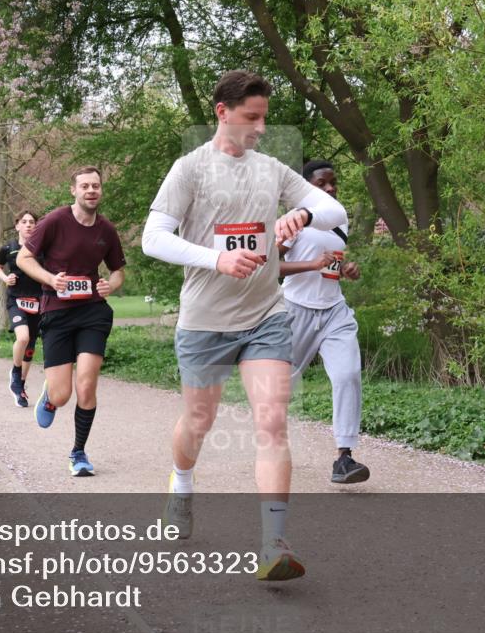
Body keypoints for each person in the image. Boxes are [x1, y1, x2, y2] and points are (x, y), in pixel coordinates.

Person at [141, 70, 347, 581]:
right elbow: (153, 238)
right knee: (199, 423)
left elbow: (332, 207)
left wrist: (300, 214)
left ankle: (274, 542)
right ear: (222, 112)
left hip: (265, 316)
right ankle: (182, 484)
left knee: (272, 422)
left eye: (264, 118)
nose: (259, 127)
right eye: (251, 117)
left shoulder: (271, 169)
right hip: (206, 320)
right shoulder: (189, 170)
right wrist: (216, 259)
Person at [16, 167, 126, 477]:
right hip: (57, 312)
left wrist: (111, 285)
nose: (91, 190)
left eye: (96, 186)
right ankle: (51, 397)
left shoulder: (106, 230)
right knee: (63, 394)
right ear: (73, 191)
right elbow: (24, 259)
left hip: (93, 312)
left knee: (87, 384)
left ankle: (78, 452)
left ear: (100, 191)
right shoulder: (54, 221)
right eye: (85, 186)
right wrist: (51, 279)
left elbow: (118, 271)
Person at [279, 160, 369, 484]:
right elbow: (269, 268)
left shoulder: (340, 222)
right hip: (295, 311)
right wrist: (310, 264)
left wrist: (346, 271)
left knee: (347, 375)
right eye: (322, 185)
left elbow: (330, 267)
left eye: (333, 183)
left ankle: (344, 458)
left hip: (334, 311)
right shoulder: (293, 223)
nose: (330, 189)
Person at [0, 211, 42, 407]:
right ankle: (15, 372)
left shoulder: (42, 249)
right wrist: (6, 278)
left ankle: (20, 386)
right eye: (24, 222)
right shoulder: (9, 248)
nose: (29, 225)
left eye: (32, 222)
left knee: (29, 348)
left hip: (38, 301)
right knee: (22, 338)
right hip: (16, 300)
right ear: (17, 226)